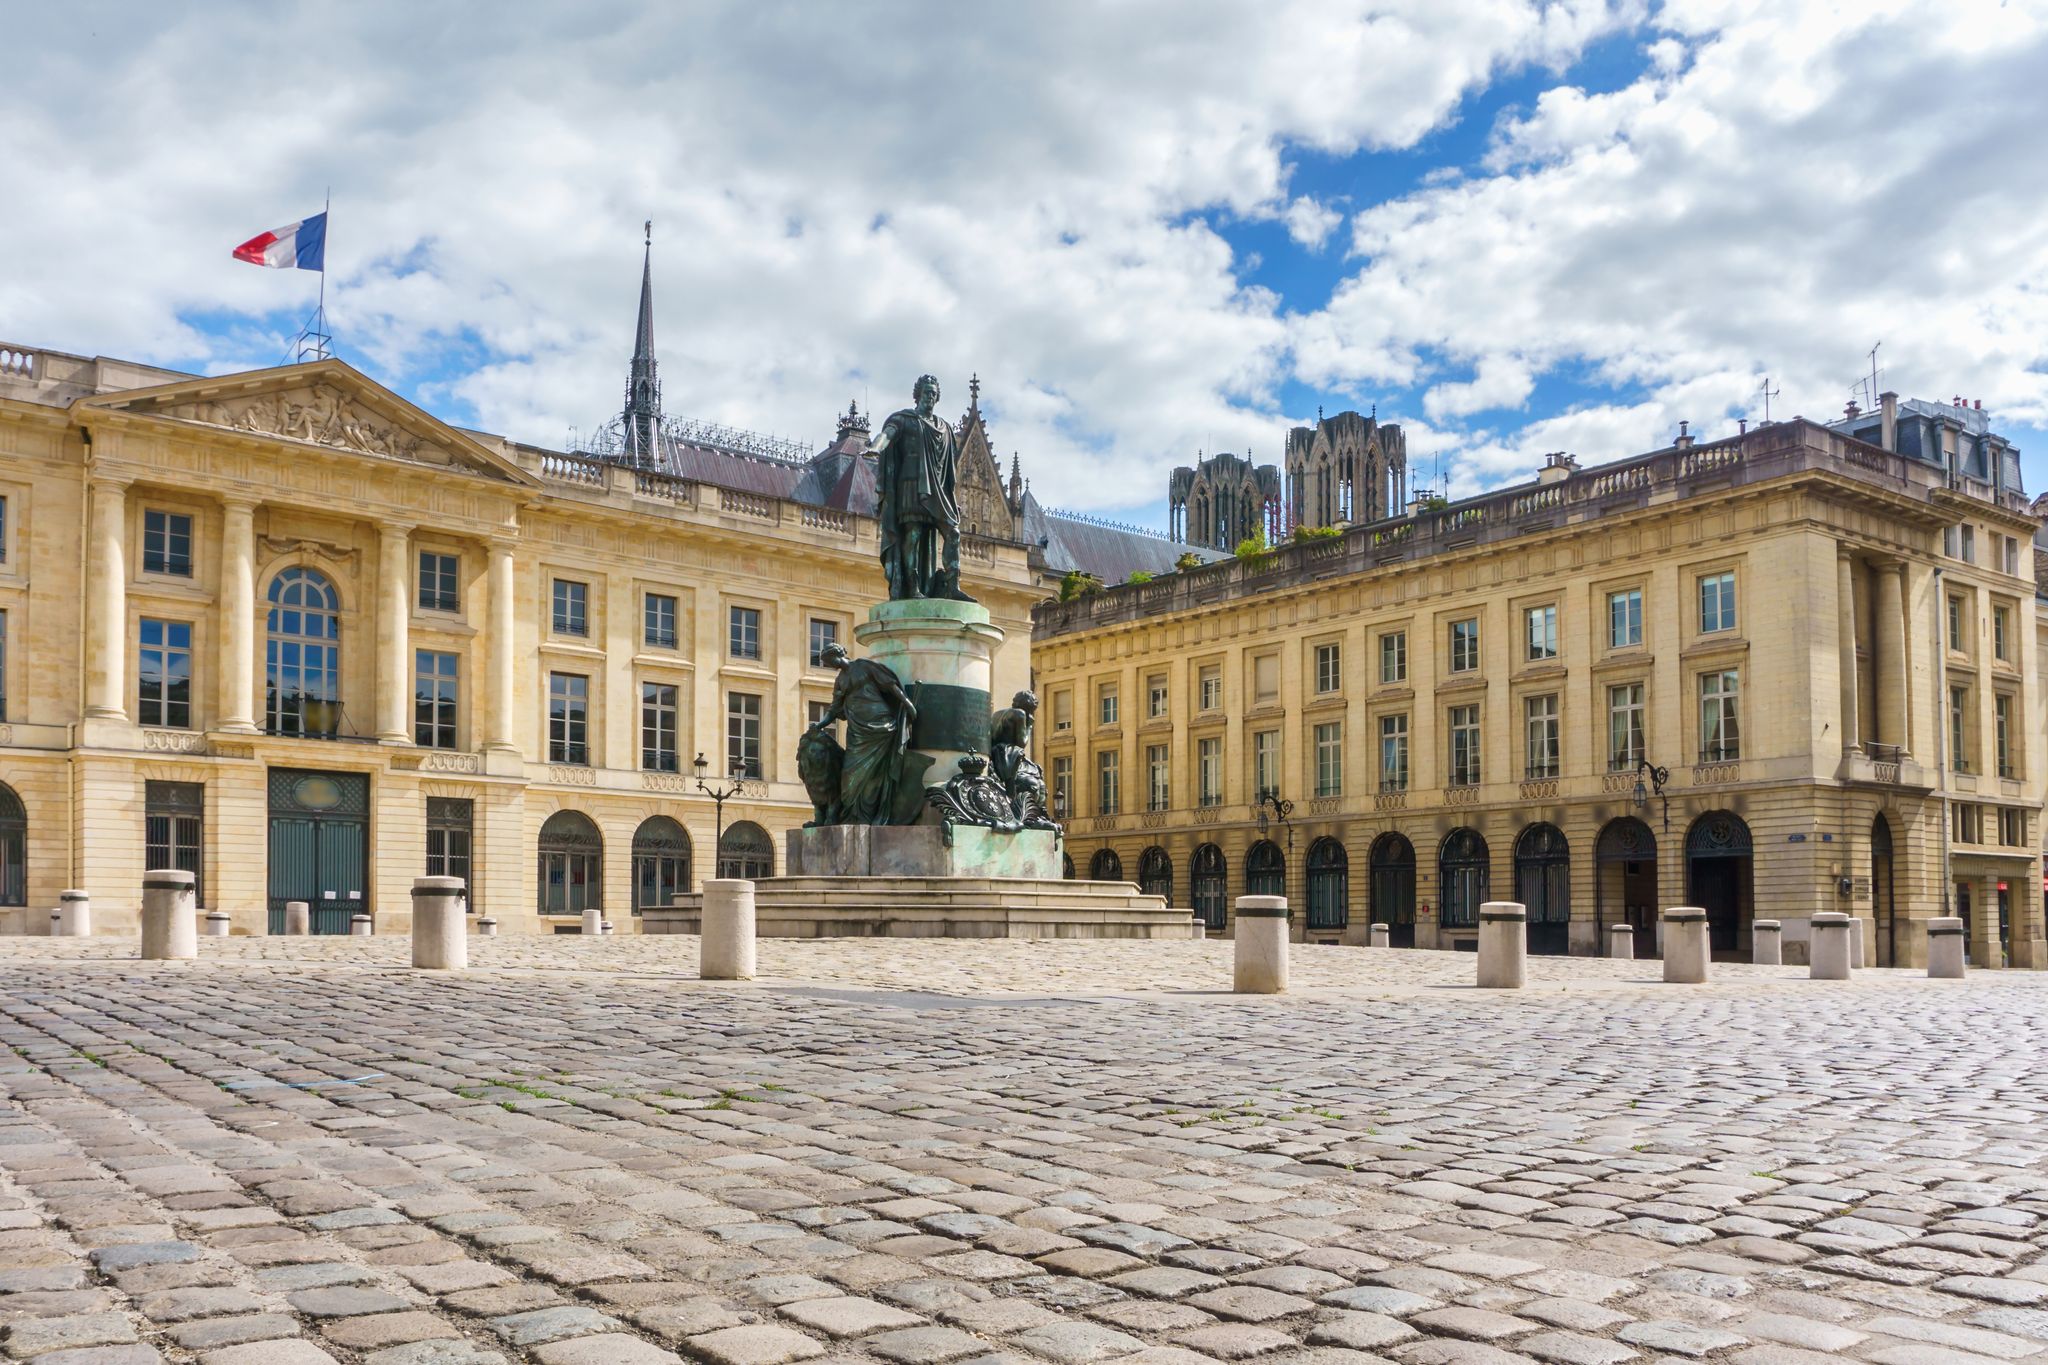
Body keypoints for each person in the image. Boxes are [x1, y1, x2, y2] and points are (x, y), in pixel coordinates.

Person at [869, 373, 971, 601]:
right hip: (911, 485)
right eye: (926, 392)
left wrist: (952, 501)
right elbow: (887, 435)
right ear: (917, 395)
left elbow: (948, 471)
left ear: (937, 398)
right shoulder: (904, 419)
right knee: (913, 534)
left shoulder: (944, 428)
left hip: (937, 491)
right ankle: (912, 587)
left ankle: (952, 585)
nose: (930, 397)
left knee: (953, 533)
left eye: (933, 393)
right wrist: (876, 448)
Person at [808, 643, 917, 825]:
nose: (829, 665)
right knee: (850, 777)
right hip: (857, 731)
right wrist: (819, 725)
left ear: (838, 655)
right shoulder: (840, 680)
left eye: (829, 661)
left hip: (880, 725)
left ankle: (868, 816)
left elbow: (889, 685)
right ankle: (856, 816)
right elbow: (834, 709)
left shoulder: (863, 666)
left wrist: (907, 703)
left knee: (875, 773)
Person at [988, 690, 1053, 827]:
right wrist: (1029, 725)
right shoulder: (1020, 714)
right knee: (1036, 784)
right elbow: (1022, 742)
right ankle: (1024, 815)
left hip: (997, 753)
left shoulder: (997, 714)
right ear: (1029, 707)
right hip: (1008, 754)